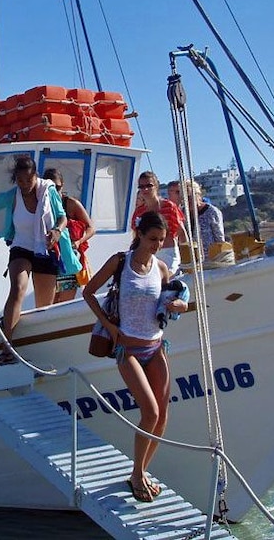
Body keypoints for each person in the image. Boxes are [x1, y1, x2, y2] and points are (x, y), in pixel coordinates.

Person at [82, 211, 188, 503]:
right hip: (127, 348)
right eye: (152, 239)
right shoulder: (120, 262)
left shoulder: (162, 269)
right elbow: (88, 292)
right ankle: (138, 474)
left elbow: (172, 301)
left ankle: (138, 472)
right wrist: (110, 326)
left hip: (156, 347)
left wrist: (179, 305)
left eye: (161, 240)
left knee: (163, 416)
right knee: (150, 413)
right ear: (139, 234)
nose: (156, 245)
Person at [0, 154, 80, 362]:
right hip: (21, 248)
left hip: (45, 249)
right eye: (20, 181)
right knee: (17, 288)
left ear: (36, 177)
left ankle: (42, 351)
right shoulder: (11, 196)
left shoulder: (49, 192)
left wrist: (57, 231)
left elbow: (62, 217)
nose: (24, 185)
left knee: (43, 306)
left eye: (28, 180)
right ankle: (7, 347)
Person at [42, 168, 95, 303]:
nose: (54, 191)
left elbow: (91, 228)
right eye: (50, 187)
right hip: (49, 257)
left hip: (68, 256)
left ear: (62, 185)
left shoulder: (70, 204)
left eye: (57, 187)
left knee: (65, 300)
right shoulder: (42, 204)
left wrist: (78, 242)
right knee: (50, 300)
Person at [131, 171, 186, 275]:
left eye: (149, 185)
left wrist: (187, 260)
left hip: (168, 253)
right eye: (141, 187)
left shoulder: (169, 207)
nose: (145, 189)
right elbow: (136, 238)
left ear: (156, 186)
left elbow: (181, 233)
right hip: (148, 256)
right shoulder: (138, 212)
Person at [184, 179, 225, 251]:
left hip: (210, 257)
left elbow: (220, 239)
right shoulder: (182, 213)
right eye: (184, 198)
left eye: (189, 197)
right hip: (189, 257)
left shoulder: (211, 212)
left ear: (198, 195)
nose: (187, 201)